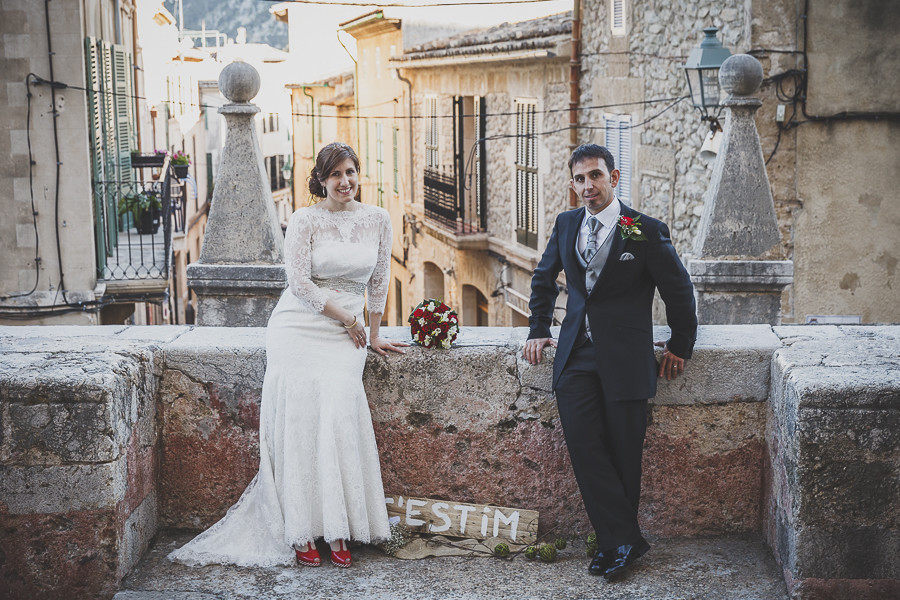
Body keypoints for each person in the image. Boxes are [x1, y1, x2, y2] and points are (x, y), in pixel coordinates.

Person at [169, 142, 406, 569]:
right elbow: (297, 282)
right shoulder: (303, 219)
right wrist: (347, 321)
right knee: (299, 424)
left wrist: (370, 334)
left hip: (346, 339)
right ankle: (301, 529)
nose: (345, 181)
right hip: (300, 325)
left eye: (350, 171)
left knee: (338, 414)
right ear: (321, 179)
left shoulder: (378, 219)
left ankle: (340, 525)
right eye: (335, 174)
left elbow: (379, 280)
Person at [523, 144, 697, 580]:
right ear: (572, 184)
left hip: (627, 359)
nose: (587, 186)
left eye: (595, 176)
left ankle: (615, 543)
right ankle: (623, 540)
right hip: (576, 357)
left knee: (623, 454)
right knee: (584, 449)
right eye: (579, 179)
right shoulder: (566, 224)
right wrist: (538, 328)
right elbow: (544, 279)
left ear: (613, 178)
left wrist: (680, 343)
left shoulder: (641, 229)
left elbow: (678, 291)